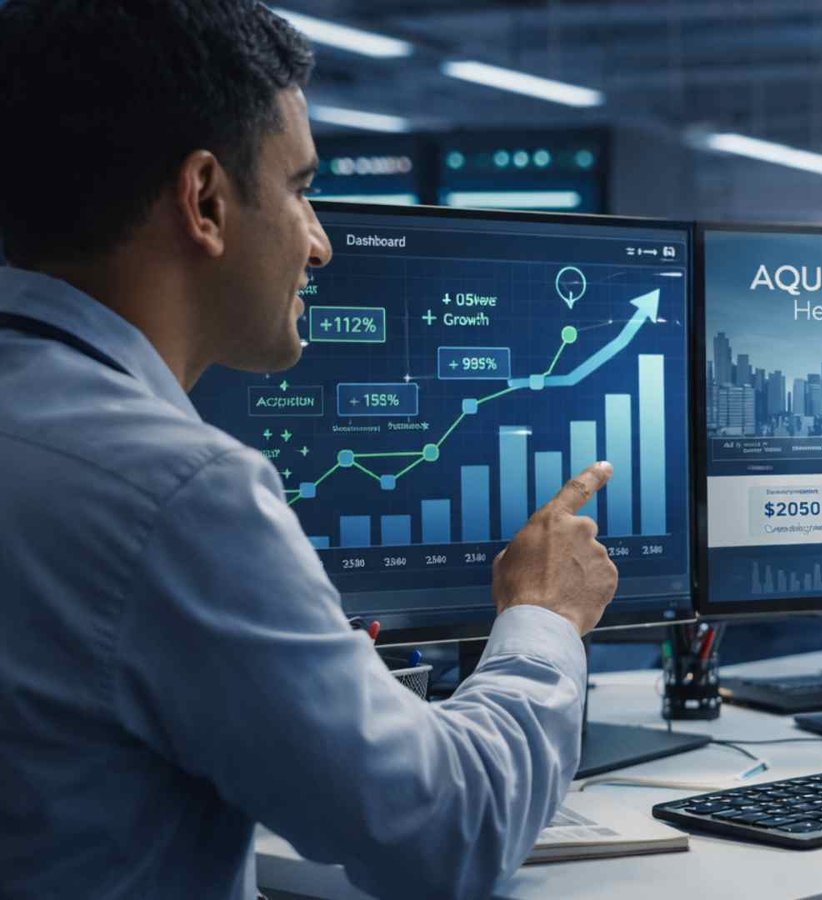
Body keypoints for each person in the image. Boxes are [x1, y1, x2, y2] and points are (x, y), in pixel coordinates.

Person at [0, 2, 619, 897]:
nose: (320, 242)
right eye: (298, 188)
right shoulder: (177, 494)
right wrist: (543, 619)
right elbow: (447, 831)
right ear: (205, 200)